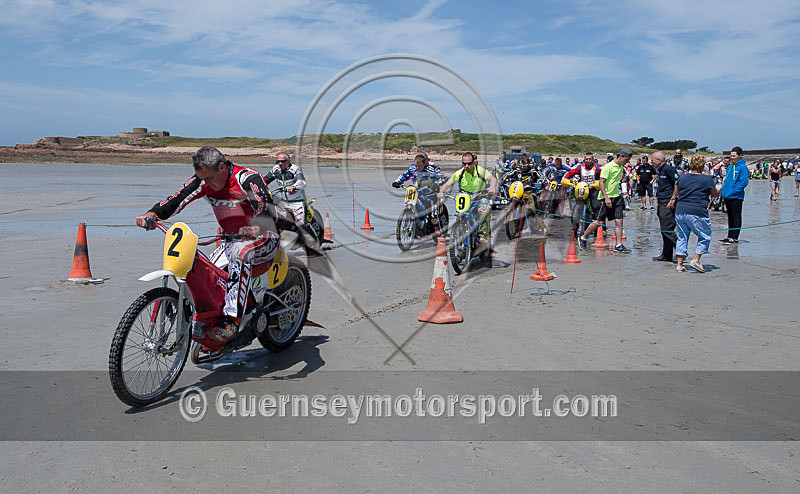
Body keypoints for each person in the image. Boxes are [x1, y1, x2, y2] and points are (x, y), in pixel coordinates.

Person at [135, 146, 288, 343]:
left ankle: (232, 321)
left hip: (264, 237)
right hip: (231, 239)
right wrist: (152, 214)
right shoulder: (203, 180)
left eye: (208, 179)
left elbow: (265, 206)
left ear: (222, 167)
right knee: (208, 274)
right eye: (202, 179)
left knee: (239, 254)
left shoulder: (247, 178)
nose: (205, 183)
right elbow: (178, 198)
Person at [437, 152, 497, 253]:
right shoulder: (460, 173)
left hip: (479, 197)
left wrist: (491, 187)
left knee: (485, 207)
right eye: (464, 164)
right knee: (460, 216)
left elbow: (492, 179)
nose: (467, 166)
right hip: (465, 198)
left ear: (474, 163)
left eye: (469, 163)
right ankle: (459, 241)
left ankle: (483, 236)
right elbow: (448, 183)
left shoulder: (480, 171)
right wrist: (441, 191)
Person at [579, 148, 633, 253]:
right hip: (605, 197)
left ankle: (618, 244)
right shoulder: (608, 167)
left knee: (619, 220)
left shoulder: (621, 167)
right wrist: (606, 198)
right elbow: (601, 183)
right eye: (626, 160)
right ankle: (583, 237)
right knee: (599, 221)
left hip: (617, 197)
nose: (627, 162)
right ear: (620, 156)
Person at [675, 155, 720, 272]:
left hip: (680, 210)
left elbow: (677, 189)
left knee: (682, 236)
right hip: (697, 210)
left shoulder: (683, 177)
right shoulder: (707, 179)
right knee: (705, 236)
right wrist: (719, 188)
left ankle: (679, 264)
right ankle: (696, 259)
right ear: (703, 165)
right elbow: (714, 194)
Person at [393, 153, 445, 218]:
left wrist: (438, 183)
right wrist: (397, 182)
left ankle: (435, 223)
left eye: (419, 166)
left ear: (424, 163)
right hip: (417, 192)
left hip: (429, 194)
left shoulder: (431, 169)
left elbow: (441, 176)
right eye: (416, 166)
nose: (417, 168)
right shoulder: (413, 168)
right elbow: (404, 175)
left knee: (433, 218)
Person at [562, 152, 602, 236]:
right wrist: (569, 181)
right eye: (586, 159)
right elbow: (569, 174)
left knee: (597, 209)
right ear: (584, 160)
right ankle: (574, 229)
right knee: (575, 210)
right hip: (582, 190)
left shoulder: (598, 167)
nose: (588, 161)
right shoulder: (580, 167)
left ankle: (599, 230)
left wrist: (600, 183)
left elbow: (606, 175)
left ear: (593, 159)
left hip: (593, 190)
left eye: (590, 159)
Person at [264, 152, 308, 226]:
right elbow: (265, 180)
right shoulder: (275, 169)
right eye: (278, 161)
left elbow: (302, 182)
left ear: (289, 161)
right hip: (283, 201)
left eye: (283, 161)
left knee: (300, 225)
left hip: (297, 201)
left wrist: (293, 187)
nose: (280, 163)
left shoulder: (295, 169)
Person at [651, 151, 679, 262]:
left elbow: (677, 183)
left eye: (653, 160)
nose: (651, 162)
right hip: (661, 200)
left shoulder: (668, 169)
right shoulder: (660, 170)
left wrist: (673, 199)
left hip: (668, 201)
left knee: (667, 229)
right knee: (664, 229)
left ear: (659, 160)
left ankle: (681, 250)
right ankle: (666, 254)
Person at [719, 146, 749, 244]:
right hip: (727, 195)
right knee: (730, 217)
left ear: (740, 156)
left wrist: (733, 191)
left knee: (736, 216)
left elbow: (743, 182)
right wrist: (724, 191)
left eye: (734, 156)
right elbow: (727, 180)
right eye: (731, 156)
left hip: (736, 196)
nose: (732, 158)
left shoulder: (743, 167)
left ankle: (735, 237)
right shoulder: (730, 166)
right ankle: (729, 236)